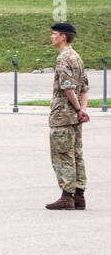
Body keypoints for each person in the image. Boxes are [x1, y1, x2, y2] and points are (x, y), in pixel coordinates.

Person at [46, 21, 89, 210]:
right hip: (75, 117)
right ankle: (79, 195)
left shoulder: (63, 59)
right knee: (76, 154)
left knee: (62, 155)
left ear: (63, 37)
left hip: (62, 115)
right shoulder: (77, 57)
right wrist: (82, 110)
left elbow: (68, 88)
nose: (52, 36)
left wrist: (78, 108)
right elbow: (85, 87)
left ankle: (67, 196)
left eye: (54, 34)